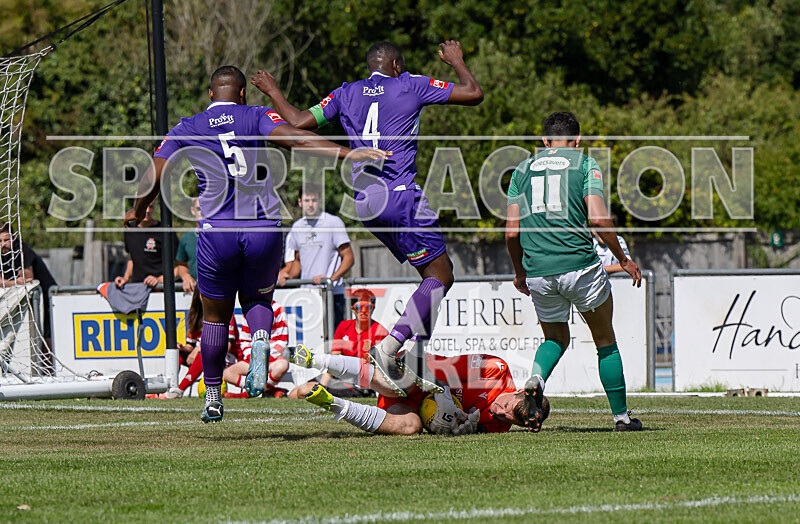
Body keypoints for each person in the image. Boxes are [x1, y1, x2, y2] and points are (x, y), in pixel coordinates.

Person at [126, 65, 388, 422]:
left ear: (210, 94)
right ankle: (261, 337)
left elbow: (155, 172)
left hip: (217, 232)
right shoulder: (256, 115)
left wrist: (139, 208)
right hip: (264, 227)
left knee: (215, 319)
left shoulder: (187, 126)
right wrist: (348, 153)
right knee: (258, 299)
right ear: (242, 93)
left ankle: (213, 397)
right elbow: (296, 138)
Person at [251, 39, 483, 395]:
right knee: (442, 275)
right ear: (396, 66)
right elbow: (473, 93)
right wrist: (456, 61)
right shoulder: (410, 83)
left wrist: (273, 91)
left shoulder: (346, 93)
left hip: (365, 203)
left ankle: (413, 359)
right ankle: (391, 348)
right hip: (400, 196)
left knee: (430, 281)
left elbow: (296, 120)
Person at [505, 111, 643, 433]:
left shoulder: (521, 171)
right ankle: (621, 418)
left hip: (539, 271)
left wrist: (520, 273)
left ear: (544, 141)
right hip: (580, 266)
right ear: (577, 140)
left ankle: (537, 379)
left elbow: (511, 233)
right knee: (605, 341)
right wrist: (622, 259)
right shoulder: (585, 164)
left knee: (555, 338)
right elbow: (598, 219)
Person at [290, 345, 550, 435]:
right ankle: (315, 359)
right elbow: (438, 368)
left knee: (410, 427)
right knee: (398, 386)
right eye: (507, 407)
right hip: (416, 373)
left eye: (509, 419)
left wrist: (454, 428)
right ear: (520, 390)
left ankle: (333, 404)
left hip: (418, 406)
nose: (501, 413)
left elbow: (453, 430)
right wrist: (443, 396)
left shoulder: (500, 426)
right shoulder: (494, 370)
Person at [287, 288, 388, 398]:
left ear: (373, 308)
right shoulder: (344, 326)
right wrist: (323, 384)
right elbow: (334, 360)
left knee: (304, 391)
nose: (363, 311)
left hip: (359, 382)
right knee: (294, 394)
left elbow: (381, 368)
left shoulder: (381, 332)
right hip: (338, 375)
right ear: (352, 309)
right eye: (359, 307)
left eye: (368, 307)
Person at [278, 186, 353, 327]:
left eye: (314, 200)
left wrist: (329, 280)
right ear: (300, 202)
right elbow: (296, 263)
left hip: (331, 294)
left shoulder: (333, 222)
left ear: (320, 202)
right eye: (307, 200)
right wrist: (286, 276)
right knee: (310, 339)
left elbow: (349, 258)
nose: (310, 204)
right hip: (306, 296)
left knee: (332, 338)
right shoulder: (296, 228)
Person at [0, 222, 58, 348]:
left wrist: (7, 282)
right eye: (0, 241)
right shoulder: (1, 253)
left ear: (14, 238)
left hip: (46, 296)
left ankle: (49, 360)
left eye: (6, 240)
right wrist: (13, 282)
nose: (3, 244)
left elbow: (27, 278)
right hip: (29, 299)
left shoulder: (21, 250)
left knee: (46, 335)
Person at [223, 300, 289, 397]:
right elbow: (244, 341)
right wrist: (255, 359)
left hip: (272, 359)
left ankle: (246, 394)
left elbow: (282, 341)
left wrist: (265, 359)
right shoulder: (248, 310)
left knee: (282, 366)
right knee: (227, 374)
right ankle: (270, 390)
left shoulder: (278, 309)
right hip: (253, 359)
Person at [116, 202, 180, 289]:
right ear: (135, 207)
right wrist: (125, 278)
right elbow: (132, 259)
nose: (147, 210)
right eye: (143, 206)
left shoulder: (166, 231)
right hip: (137, 289)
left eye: (151, 206)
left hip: (160, 290)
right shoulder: (129, 229)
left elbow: (181, 268)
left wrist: (159, 279)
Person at [175, 197, 202, 293]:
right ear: (193, 211)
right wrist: (185, 276)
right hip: (193, 292)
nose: (203, 213)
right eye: (199, 209)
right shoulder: (186, 238)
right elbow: (181, 265)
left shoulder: (224, 235)